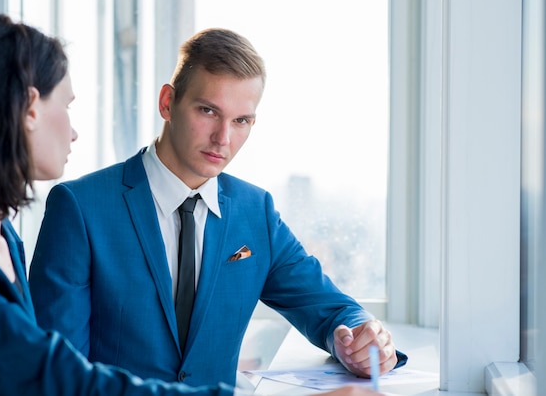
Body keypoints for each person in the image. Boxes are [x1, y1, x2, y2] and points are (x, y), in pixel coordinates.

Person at [29, 26, 408, 390]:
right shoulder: (79, 208)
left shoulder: (255, 212)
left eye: (241, 121)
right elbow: (59, 371)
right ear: (167, 103)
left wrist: (363, 337)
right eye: (208, 111)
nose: (223, 138)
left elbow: (329, 308)